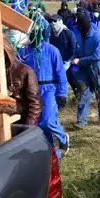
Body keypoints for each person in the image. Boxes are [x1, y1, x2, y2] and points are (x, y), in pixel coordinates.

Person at [18, 24, 69, 159]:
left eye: (36, 33)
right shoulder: (24, 51)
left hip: (49, 89)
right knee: (39, 124)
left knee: (47, 119)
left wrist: (62, 93)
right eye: (31, 33)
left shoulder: (52, 50)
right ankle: (51, 154)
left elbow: (60, 72)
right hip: (32, 89)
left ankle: (63, 137)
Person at [0, 37, 42, 127]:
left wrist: (27, 129)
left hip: (20, 122)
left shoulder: (25, 72)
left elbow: (35, 104)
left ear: (6, 53)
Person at [73, 11, 100, 128]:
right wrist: (75, 59)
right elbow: (76, 52)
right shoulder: (78, 37)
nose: (77, 28)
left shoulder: (97, 37)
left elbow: (97, 56)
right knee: (84, 93)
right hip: (83, 70)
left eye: (79, 26)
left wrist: (80, 60)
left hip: (96, 69)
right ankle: (81, 122)